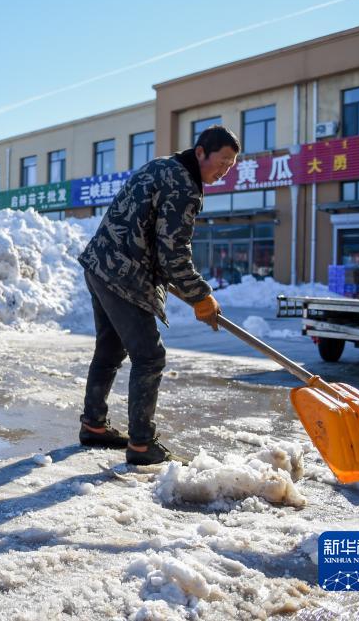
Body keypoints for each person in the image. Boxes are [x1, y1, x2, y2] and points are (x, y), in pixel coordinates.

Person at [76, 125, 239, 465]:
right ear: (200, 153)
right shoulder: (184, 186)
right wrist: (200, 295)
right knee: (149, 357)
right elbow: (173, 252)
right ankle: (141, 444)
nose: (224, 171)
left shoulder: (162, 166)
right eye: (221, 161)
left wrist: (192, 291)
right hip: (123, 275)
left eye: (230, 166)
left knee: (109, 348)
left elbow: (157, 243)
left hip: (100, 264)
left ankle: (93, 425)